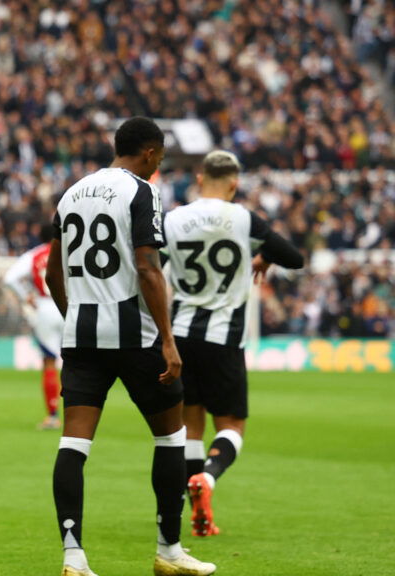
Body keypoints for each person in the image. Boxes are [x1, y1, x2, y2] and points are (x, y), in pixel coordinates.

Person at [45, 117, 216, 576]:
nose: (159, 165)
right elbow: (147, 267)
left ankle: (74, 557)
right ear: (149, 153)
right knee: (171, 436)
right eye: (159, 156)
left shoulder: (70, 193)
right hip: (133, 334)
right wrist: (167, 337)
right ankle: (169, 551)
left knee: (74, 442)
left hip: (81, 335)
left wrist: (76, 314)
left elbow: (50, 273)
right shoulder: (142, 191)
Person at [162, 150, 305, 537]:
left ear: (199, 177)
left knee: (190, 425)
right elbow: (295, 258)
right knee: (231, 425)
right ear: (234, 183)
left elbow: (150, 268)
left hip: (181, 335)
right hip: (224, 338)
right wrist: (264, 256)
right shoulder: (243, 219)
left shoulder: (173, 219)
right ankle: (207, 479)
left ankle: (196, 516)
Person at [3, 224, 66, 429]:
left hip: (44, 307)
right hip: (69, 306)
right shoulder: (69, 251)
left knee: (49, 361)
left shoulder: (34, 255)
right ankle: (78, 411)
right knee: (74, 361)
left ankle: (53, 415)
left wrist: (25, 297)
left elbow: (10, 278)